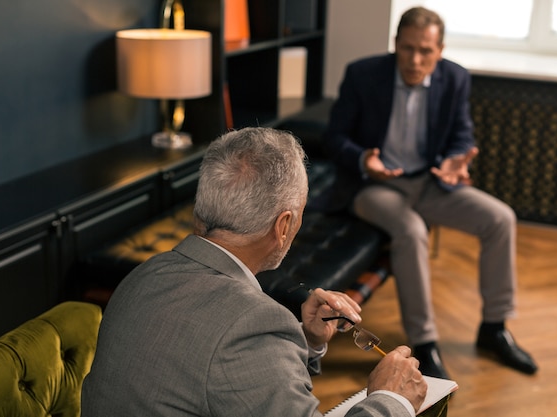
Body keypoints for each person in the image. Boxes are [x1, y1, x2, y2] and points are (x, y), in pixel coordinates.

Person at [81, 127, 437, 417]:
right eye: (299, 215)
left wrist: (307, 341)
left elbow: (213, 370)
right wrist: (392, 400)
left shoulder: (144, 275)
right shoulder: (253, 326)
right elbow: (229, 351)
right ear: (283, 226)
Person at [323, 7, 538, 379]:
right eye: (407, 49)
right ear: (395, 45)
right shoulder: (363, 74)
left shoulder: (455, 78)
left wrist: (457, 159)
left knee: (501, 219)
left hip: (429, 182)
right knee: (411, 230)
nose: (415, 60)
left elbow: (462, 134)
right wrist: (362, 159)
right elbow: (333, 138)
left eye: (425, 51)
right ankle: (425, 342)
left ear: (440, 50)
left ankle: (494, 327)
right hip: (374, 184)